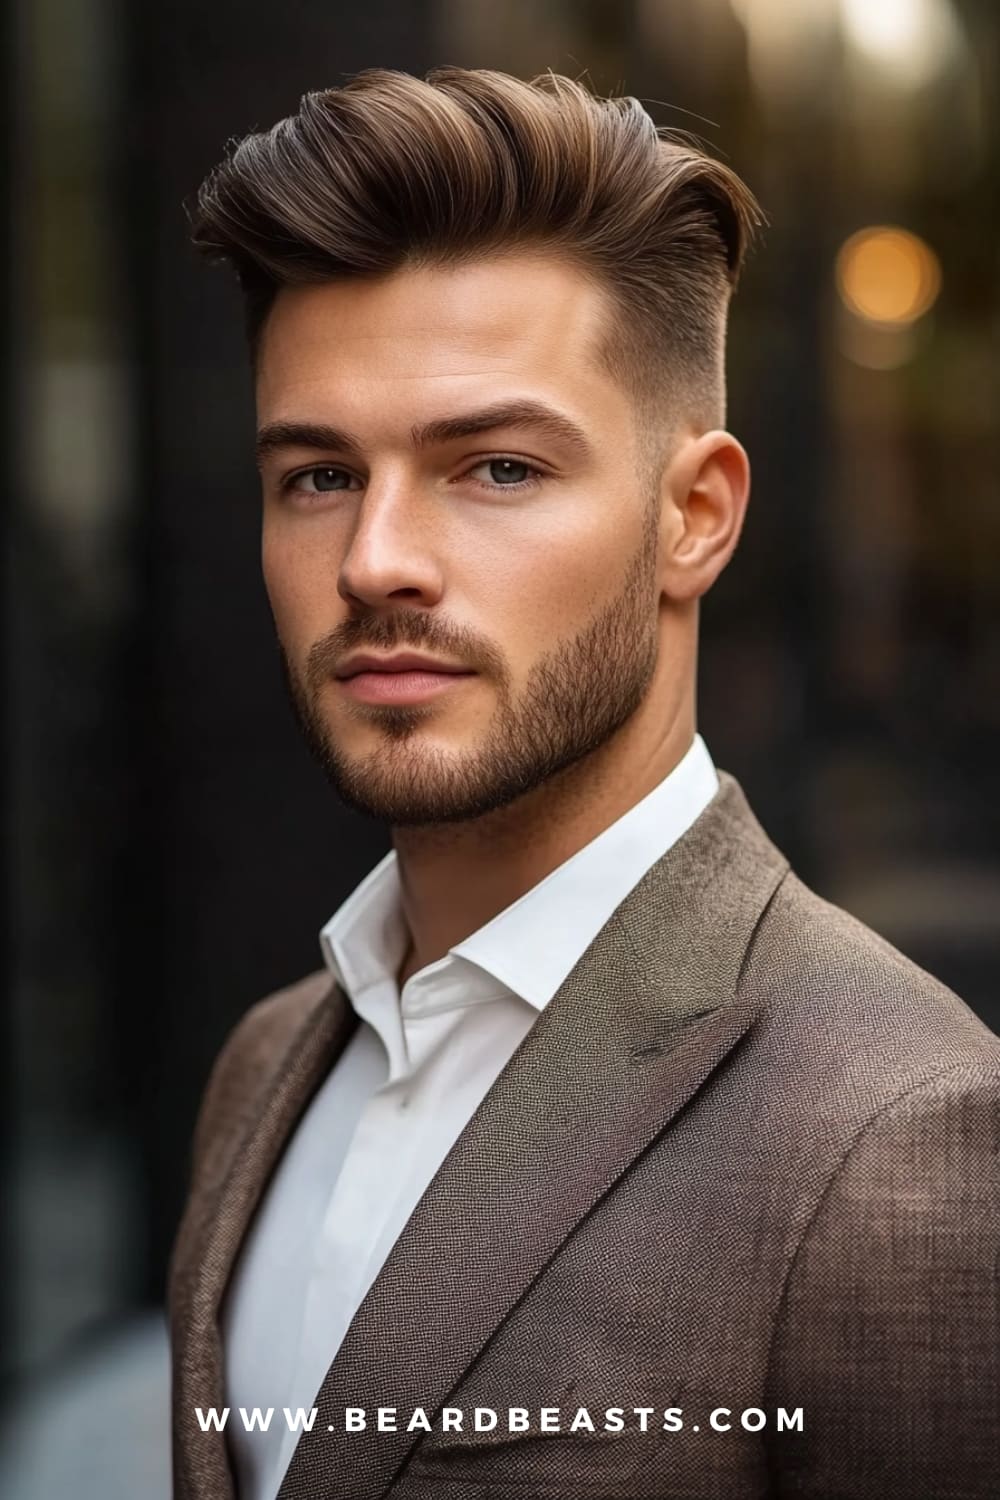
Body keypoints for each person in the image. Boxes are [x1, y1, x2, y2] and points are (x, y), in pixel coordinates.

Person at [168, 67, 1000, 1500]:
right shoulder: (266, 1064)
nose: (374, 562)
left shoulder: (900, 1136)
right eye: (318, 476)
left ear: (695, 517)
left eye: (495, 467)